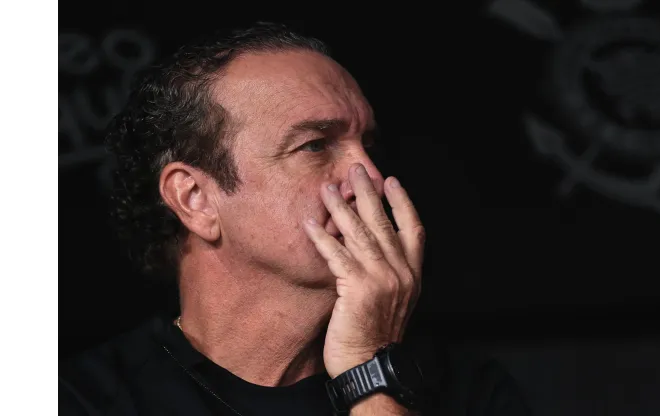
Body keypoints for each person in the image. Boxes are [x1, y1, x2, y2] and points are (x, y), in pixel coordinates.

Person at [59, 23, 530, 416]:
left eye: (369, 145)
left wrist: (369, 368)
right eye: (315, 145)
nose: (369, 174)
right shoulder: (80, 400)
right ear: (196, 199)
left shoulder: (469, 392)